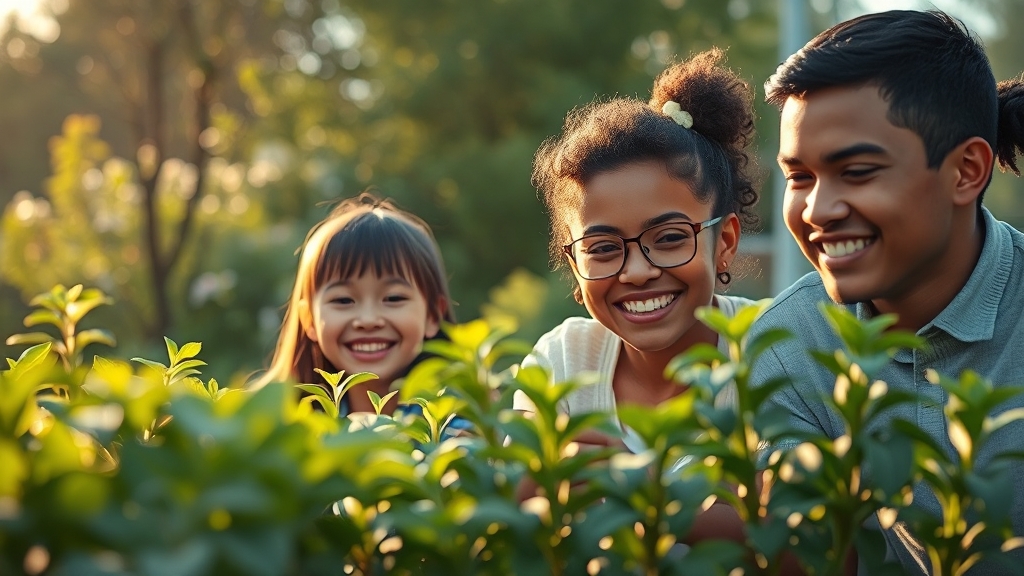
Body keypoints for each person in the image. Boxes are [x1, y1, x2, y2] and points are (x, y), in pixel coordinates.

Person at [751, 9, 1024, 574]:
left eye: (857, 172)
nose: (818, 210)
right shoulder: (785, 343)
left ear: (967, 170)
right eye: (799, 177)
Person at [516, 48, 762, 447]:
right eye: (602, 249)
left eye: (668, 239)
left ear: (726, 242)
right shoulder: (564, 361)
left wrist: (629, 480)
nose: (636, 272)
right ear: (574, 264)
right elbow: (517, 491)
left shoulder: (773, 348)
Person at [253, 192, 468, 435]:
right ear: (309, 318)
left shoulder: (462, 428)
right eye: (343, 300)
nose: (367, 320)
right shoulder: (282, 429)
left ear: (432, 315)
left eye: (393, 298)